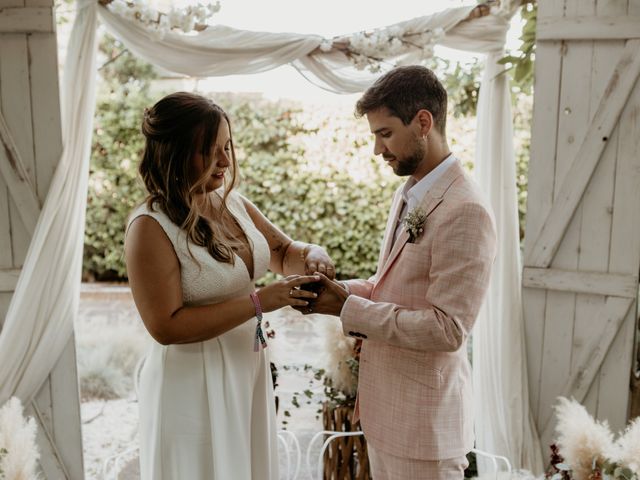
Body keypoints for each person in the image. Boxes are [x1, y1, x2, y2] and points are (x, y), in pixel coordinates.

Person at [124, 91, 334, 480]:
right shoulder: (150, 228)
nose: (225, 161)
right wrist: (260, 302)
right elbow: (165, 326)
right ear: (174, 153)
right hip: (192, 383)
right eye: (210, 150)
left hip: (246, 368)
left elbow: (283, 250)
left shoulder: (233, 204)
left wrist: (313, 253)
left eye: (227, 147)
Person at [309, 65, 497, 479]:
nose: (378, 149)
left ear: (423, 122)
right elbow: (396, 287)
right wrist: (337, 292)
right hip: (389, 419)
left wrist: (351, 309)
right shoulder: (410, 192)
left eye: (385, 133)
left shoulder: (466, 210)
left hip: (425, 433)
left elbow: (448, 329)